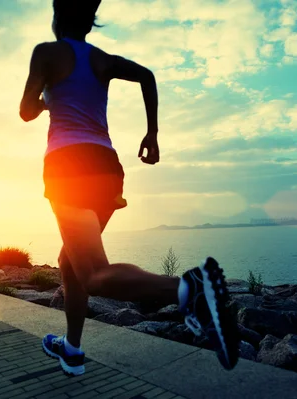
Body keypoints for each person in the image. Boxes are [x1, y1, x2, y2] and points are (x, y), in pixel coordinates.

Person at [19, 0, 239, 376]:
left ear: (57, 18)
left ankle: (191, 289)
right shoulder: (103, 59)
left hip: (68, 167)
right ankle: (71, 349)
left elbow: (25, 110)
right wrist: (152, 133)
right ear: (89, 23)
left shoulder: (46, 53)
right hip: (106, 168)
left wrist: (45, 101)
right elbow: (147, 75)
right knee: (69, 264)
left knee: (91, 273)